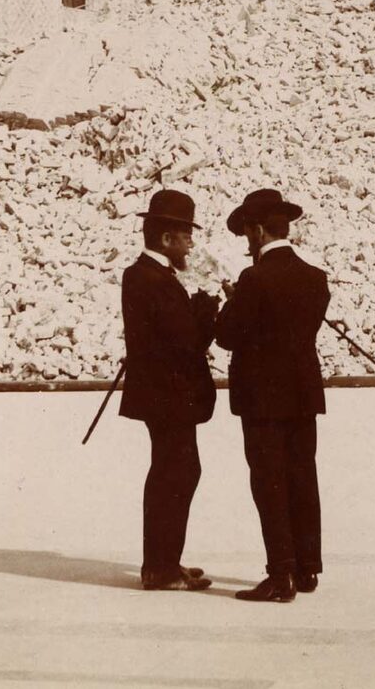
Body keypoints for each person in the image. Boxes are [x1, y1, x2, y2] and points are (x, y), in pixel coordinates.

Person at [215, 189, 331, 603]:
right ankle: (307, 568)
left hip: (262, 399)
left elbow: (228, 336)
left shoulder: (253, 279)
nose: (247, 242)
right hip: (302, 394)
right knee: (303, 477)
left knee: (270, 483)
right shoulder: (316, 278)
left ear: (258, 231)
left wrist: (232, 304)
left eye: (248, 233)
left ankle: (280, 575)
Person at [118, 189, 219, 592]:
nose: (190, 244)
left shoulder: (145, 275)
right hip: (169, 397)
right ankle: (161, 569)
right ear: (166, 238)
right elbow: (186, 342)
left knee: (174, 471)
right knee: (174, 474)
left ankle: (163, 562)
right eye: (186, 235)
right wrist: (207, 313)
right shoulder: (152, 278)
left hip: (163, 396)